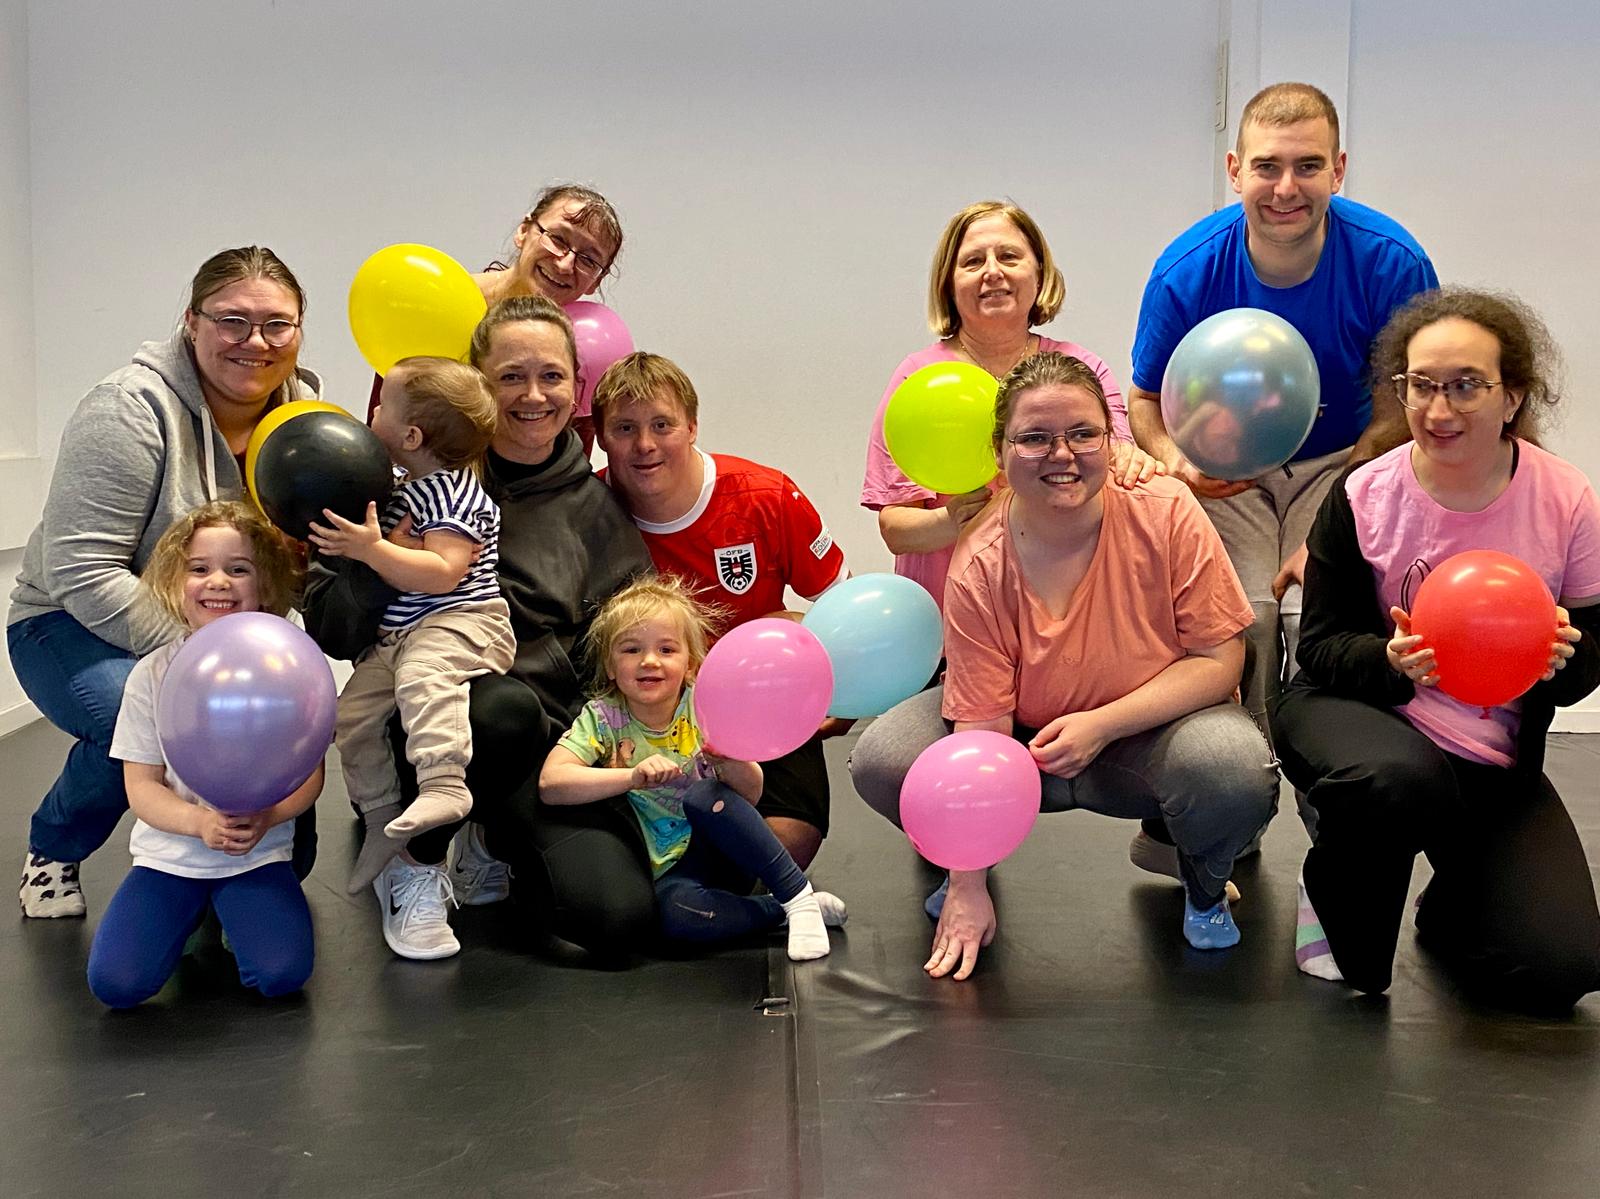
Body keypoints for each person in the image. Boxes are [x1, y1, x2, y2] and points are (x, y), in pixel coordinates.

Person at [850, 352, 1278, 981]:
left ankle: (1203, 882)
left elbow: (1219, 660)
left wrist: (1102, 724)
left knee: (1232, 770)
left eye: (1083, 433)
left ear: (1111, 441)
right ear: (999, 453)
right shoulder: (978, 562)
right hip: (1026, 745)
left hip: (1147, 732)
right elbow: (983, 728)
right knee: (886, 760)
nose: (1062, 454)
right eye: (1035, 438)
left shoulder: (1166, 510)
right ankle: (968, 857)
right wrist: (967, 878)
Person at [1272, 288, 1600, 1010]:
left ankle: (1453, 903)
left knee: (1562, 966)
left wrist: (1563, 661)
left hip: (1488, 750)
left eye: (1465, 386)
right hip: (1363, 713)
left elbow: (1592, 641)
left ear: (1511, 396)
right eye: (1421, 385)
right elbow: (1321, 645)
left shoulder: (1566, 498)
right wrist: (1388, 659)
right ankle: (1332, 884)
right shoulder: (1364, 493)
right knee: (1399, 782)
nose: (1439, 409)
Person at [303, 295, 654, 961]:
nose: (532, 395)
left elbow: (621, 652)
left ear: (575, 388)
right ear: (476, 386)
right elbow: (331, 627)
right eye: (511, 375)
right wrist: (387, 556)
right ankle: (416, 858)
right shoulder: (399, 489)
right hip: (439, 724)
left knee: (621, 923)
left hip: (542, 748)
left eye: (551, 375)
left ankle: (487, 839)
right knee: (498, 705)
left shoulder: (598, 508)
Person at [10, 246, 323, 919]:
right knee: (135, 713)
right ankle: (53, 846)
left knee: (286, 852)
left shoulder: (303, 416)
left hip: (218, 635)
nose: (255, 342)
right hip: (67, 621)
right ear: (192, 321)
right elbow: (79, 569)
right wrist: (193, 664)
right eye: (232, 321)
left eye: (277, 325)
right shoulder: (128, 408)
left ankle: (214, 864)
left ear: (299, 330)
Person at [1127, 82, 1439, 732]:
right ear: (1236, 170)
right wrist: (1176, 461)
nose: (1286, 188)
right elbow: (1144, 398)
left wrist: (1335, 515)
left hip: (1342, 462)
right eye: (1267, 166)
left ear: (1339, 169)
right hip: (1222, 472)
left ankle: (1333, 809)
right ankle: (1228, 810)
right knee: (1245, 622)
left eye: (1308, 166)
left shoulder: (1391, 262)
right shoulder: (1185, 271)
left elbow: (1401, 411)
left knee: (1311, 615)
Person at [594, 352, 849, 870]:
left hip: (758, 702)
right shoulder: (591, 511)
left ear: (691, 426)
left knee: (786, 846)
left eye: (661, 425)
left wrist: (847, 695)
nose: (644, 445)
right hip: (644, 712)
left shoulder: (766, 495)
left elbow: (842, 609)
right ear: (601, 438)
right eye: (625, 428)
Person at [862, 200, 1159, 608]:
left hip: (1067, 612)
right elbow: (895, 527)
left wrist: (1134, 460)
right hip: (951, 619)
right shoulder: (918, 379)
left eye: (1008, 256)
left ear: (1039, 273)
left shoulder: (1080, 368)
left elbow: (1121, 467)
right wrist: (951, 521)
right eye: (972, 262)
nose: (992, 272)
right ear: (949, 283)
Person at [539, 577, 847, 960]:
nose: (649, 661)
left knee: (705, 795)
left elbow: (751, 794)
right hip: (670, 867)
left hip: (723, 847)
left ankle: (796, 895)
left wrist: (730, 761)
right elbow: (552, 782)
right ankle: (779, 912)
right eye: (632, 649)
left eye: (666, 649)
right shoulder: (603, 717)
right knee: (675, 919)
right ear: (611, 667)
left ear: (690, 664)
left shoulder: (703, 706)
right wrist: (631, 777)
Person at [87, 501, 319, 1008]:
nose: (219, 581)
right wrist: (198, 825)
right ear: (177, 582)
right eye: (200, 568)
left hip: (256, 856)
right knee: (116, 985)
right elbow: (141, 785)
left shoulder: (289, 665)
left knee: (282, 975)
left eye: (239, 569)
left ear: (265, 586)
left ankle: (225, 911)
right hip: (170, 860)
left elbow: (311, 774)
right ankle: (197, 914)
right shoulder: (151, 675)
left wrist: (269, 816)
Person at [308, 358, 516, 917]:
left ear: (411, 435)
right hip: (404, 631)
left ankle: (445, 783)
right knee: (349, 713)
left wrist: (372, 550)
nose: (370, 413)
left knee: (427, 679)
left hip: (462, 621)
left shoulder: (455, 493)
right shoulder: (404, 491)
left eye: (382, 406)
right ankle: (380, 815)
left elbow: (444, 571)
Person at [364, 183, 623, 454]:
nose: (565, 264)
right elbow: (384, 426)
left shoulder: (589, 346)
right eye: (557, 239)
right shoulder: (437, 310)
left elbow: (573, 463)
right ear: (523, 231)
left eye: (589, 260)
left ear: (597, 282)